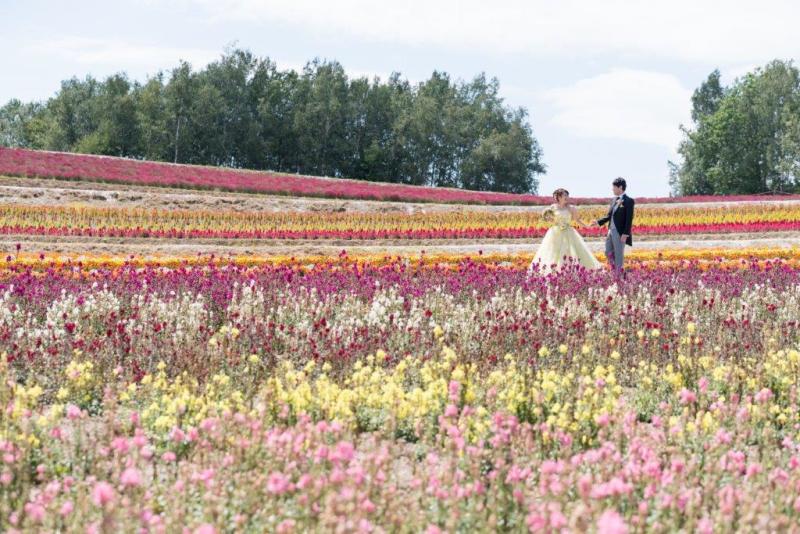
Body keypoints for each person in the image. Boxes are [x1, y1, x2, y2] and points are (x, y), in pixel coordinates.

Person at [529, 188, 601, 272]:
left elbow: (577, 220)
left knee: (569, 251)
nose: (567, 197)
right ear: (558, 197)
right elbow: (550, 219)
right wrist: (548, 218)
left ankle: (570, 271)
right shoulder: (552, 207)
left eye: (567, 195)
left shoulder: (571, 208)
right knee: (553, 252)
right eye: (564, 195)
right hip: (555, 233)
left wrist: (587, 226)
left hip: (568, 232)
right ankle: (554, 271)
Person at [596, 177, 635, 273]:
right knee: (607, 252)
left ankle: (618, 276)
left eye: (614, 187)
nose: (612, 189)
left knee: (618, 255)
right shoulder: (613, 200)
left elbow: (629, 219)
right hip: (610, 231)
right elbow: (609, 216)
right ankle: (617, 271)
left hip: (620, 232)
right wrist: (598, 222)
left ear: (620, 187)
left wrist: (625, 234)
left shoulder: (629, 201)